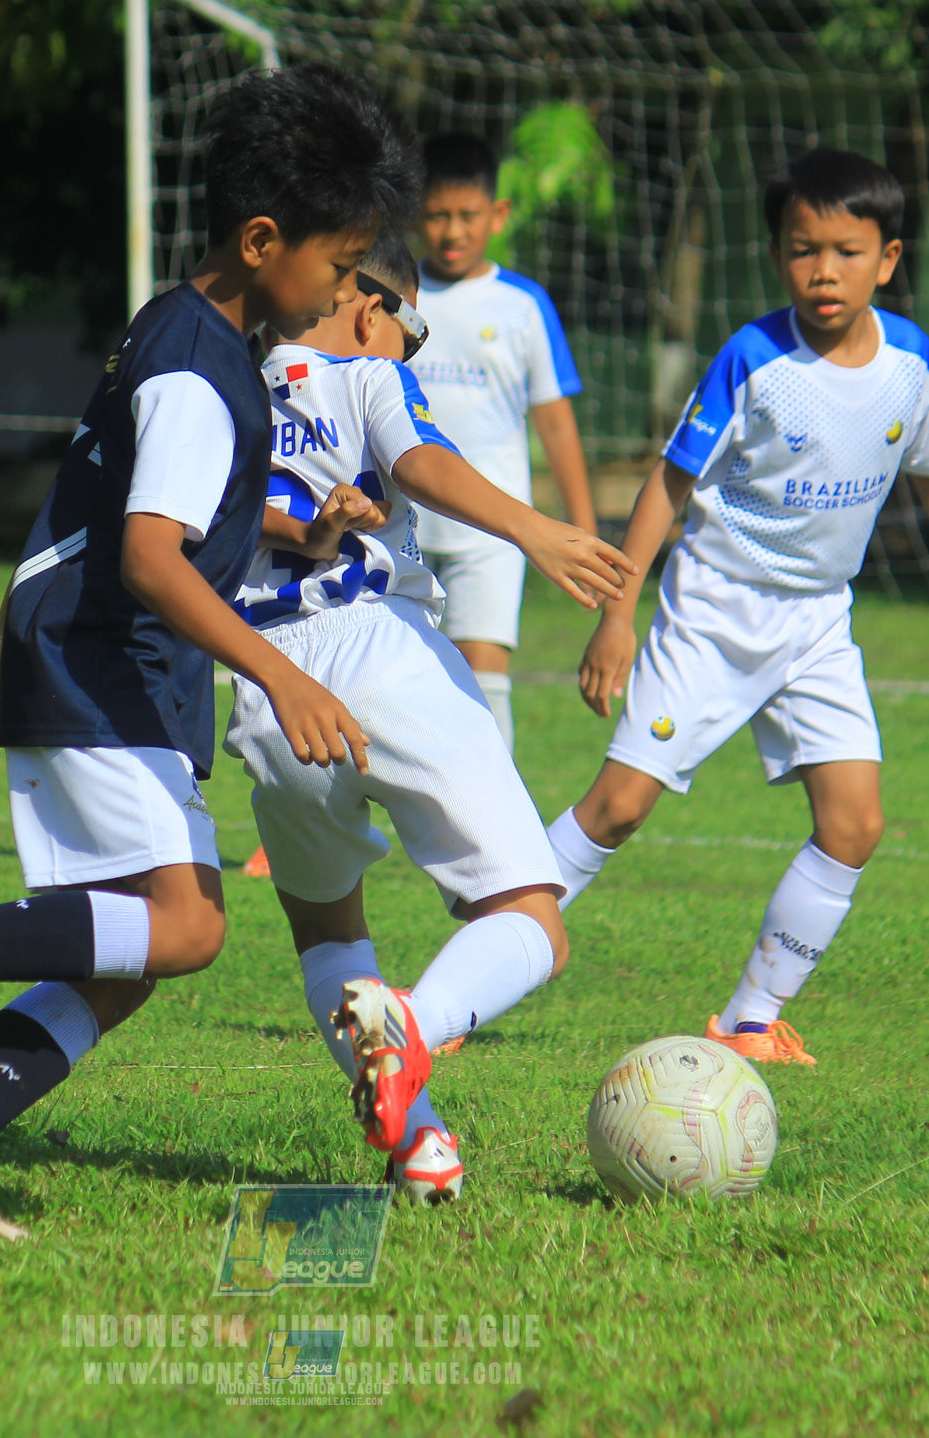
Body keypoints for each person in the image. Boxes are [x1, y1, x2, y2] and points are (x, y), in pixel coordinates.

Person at [0, 65, 421, 1238]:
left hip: (91, 653)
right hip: (108, 658)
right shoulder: (197, 366)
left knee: (124, 962)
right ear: (263, 237)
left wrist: (6, 618)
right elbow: (150, 555)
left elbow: (101, 495)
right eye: (337, 267)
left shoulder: (184, 329)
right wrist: (282, 670)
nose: (343, 294)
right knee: (185, 929)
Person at [542, 150, 929, 1068]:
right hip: (714, 611)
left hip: (817, 623)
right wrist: (615, 613)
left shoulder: (911, 361)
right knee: (620, 804)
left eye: (844, 250)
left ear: (888, 256)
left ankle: (750, 1017)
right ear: (776, 255)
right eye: (801, 250)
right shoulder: (753, 359)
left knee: (853, 823)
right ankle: (483, 951)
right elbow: (668, 484)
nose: (821, 270)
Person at [228, 231, 632, 1204]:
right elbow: (417, 461)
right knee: (534, 917)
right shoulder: (365, 371)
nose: (408, 346)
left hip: (265, 686)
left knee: (330, 939)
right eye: (411, 325)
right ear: (369, 305)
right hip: (380, 651)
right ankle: (422, 1024)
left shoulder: (224, 387)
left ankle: (419, 1144)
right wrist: (536, 529)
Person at [411, 133, 597, 753]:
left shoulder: (522, 305)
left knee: (483, 679)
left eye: (468, 215)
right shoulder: (391, 294)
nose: (452, 231)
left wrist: (583, 529)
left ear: (498, 216)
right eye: (438, 215)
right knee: (377, 675)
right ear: (416, 214)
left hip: (491, 530)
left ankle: (496, 832)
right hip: (397, 522)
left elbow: (556, 424)